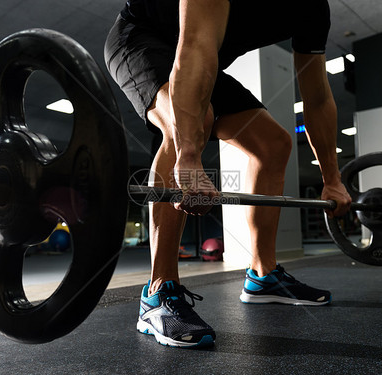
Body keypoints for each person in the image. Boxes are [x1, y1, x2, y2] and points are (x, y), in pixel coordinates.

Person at [104, 0, 352, 348]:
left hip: (201, 58)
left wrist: (332, 178)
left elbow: (317, 97)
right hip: (140, 40)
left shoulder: (312, 8)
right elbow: (195, 47)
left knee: (275, 144)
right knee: (191, 122)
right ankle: (158, 293)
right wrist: (189, 155)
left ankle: (263, 276)